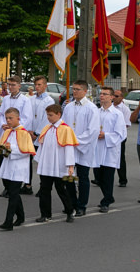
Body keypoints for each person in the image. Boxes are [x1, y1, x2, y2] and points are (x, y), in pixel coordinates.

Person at [0, 107, 35, 231]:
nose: (8, 120)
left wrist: (10, 148)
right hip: (8, 166)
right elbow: (0, 148)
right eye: (6, 118)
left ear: (18, 118)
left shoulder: (24, 133)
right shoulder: (7, 132)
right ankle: (21, 216)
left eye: (10, 118)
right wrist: (4, 149)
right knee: (13, 193)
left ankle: (8, 221)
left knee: (13, 194)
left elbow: (26, 151)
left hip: (19, 167)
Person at [34, 103, 77, 223]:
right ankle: (45, 214)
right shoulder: (47, 128)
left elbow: (69, 148)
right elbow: (41, 146)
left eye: (50, 115)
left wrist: (70, 165)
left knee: (61, 190)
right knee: (44, 190)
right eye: (47, 115)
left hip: (59, 165)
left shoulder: (66, 129)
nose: (48, 117)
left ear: (58, 114)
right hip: (47, 165)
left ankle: (69, 211)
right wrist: (40, 161)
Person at [62, 80, 99, 216]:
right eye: (73, 89)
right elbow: (64, 126)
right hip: (70, 147)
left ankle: (82, 205)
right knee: (69, 176)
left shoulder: (91, 108)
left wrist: (76, 140)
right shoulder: (68, 107)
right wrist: (67, 140)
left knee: (83, 177)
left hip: (83, 147)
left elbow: (93, 130)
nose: (75, 91)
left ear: (85, 91)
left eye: (78, 89)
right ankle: (72, 202)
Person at [0, 76, 33, 197]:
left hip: (17, 133)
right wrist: (2, 125)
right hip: (6, 132)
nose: (11, 87)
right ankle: (7, 186)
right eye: (9, 85)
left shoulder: (25, 100)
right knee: (3, 158)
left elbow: (27, 117)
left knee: (14, 158)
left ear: (19, 86)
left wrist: (15, 126)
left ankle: (14, 186)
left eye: (13, 85)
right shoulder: (5, 99)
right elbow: (0, 114)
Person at [96, 86, 126, 213]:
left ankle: (106, 201)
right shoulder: (97, 112)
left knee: (107, 177)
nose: (102, 96)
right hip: (98, 148)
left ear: (112, 97)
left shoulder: (117, 114)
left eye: (105, 94)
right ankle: (109, 196)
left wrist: (106, 136)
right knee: (98, 177)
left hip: (109, 149)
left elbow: (121, 134)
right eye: (101, 93)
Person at [27, 76, 55, 194]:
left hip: (40, 136)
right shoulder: (31, 99)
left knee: (41, 162)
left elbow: (47, 119)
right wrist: (29, 130)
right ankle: (27, 185)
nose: (37, 87)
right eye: (36, 85)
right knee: (27, 160)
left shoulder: (49, 101)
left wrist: (37, 132)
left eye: (39, 85)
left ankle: (43, 187)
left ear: (45, 86)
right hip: (29, 134)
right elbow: (28, 115)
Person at [113, 89, 132, 187]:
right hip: (109, 136)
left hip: (120, 137)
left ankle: (123, 179)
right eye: (113, 96)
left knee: (120, 158)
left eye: (117, 96)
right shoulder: (110, 107)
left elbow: (126, 124)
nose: (114, 98)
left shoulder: (125, 109)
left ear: (121, 97)